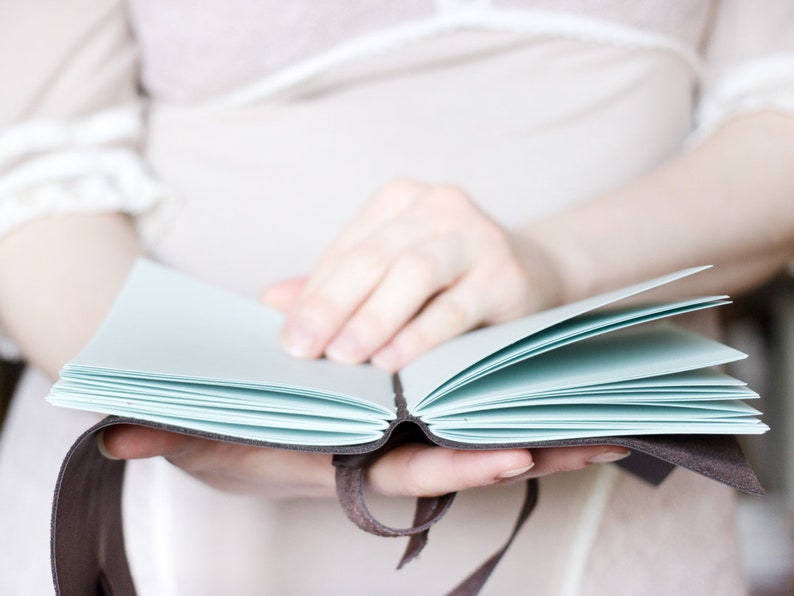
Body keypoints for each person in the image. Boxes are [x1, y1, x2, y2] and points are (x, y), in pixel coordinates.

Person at [1, 1, 792, 594]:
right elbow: (32, 188)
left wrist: (553, 261)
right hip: (176, 510)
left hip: (617, 513)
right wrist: (205, 409)